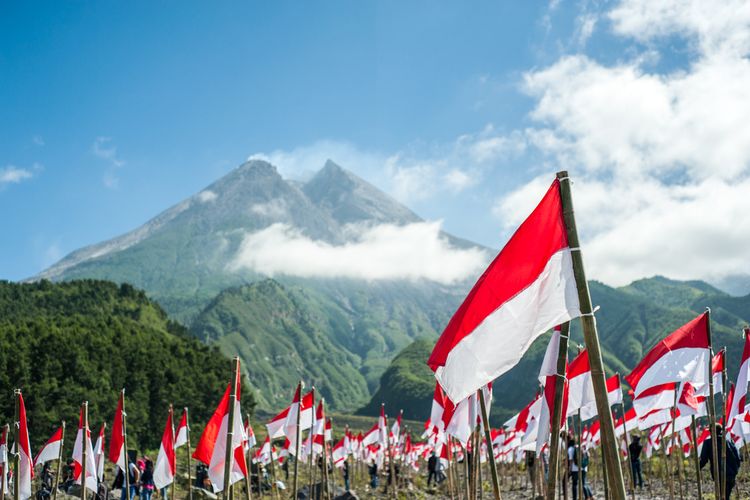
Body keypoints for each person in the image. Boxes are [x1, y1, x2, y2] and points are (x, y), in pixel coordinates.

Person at [700, 424, 742, 499]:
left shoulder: (708, 443)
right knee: (726, 496)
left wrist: (698, 468)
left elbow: (703, 459)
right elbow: (738, 458)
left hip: (719, 474)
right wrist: (735, 471)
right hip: (731, 475)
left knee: (722, 497)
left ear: (711, 432)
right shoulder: (729, 441)